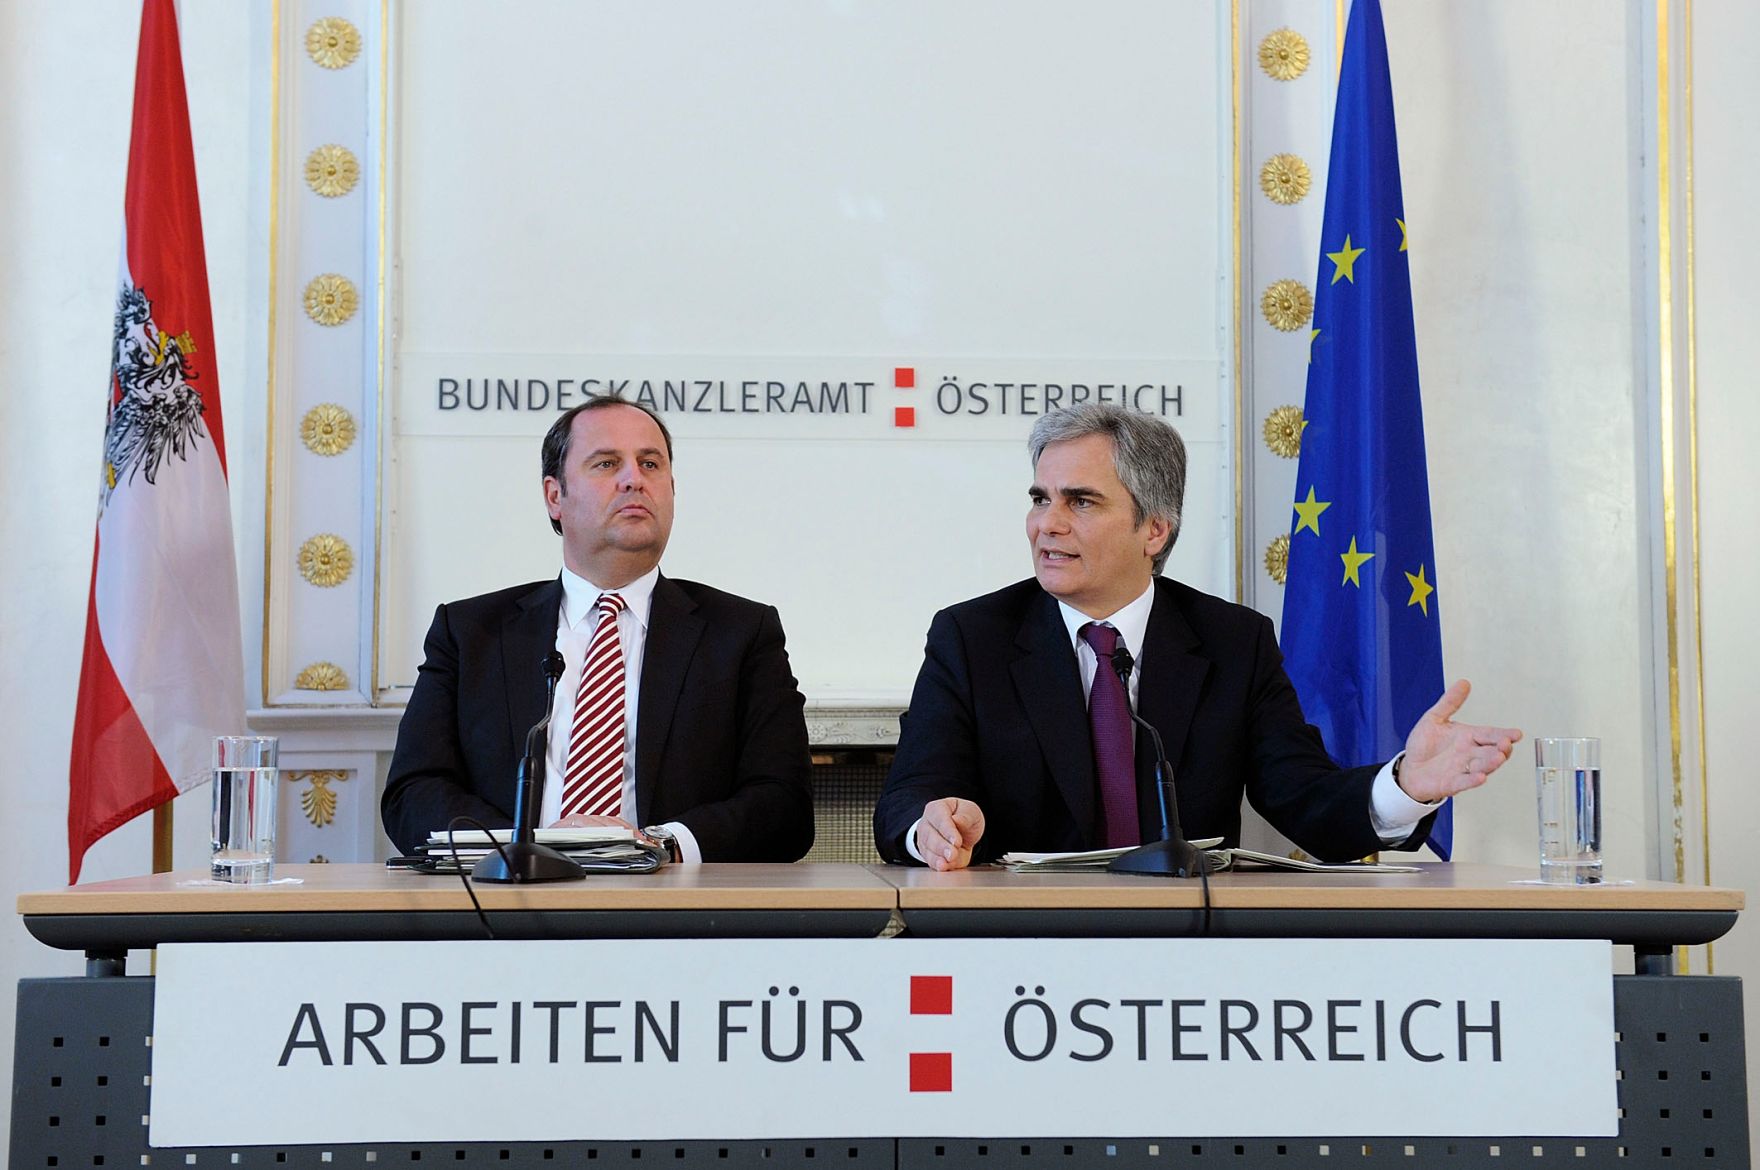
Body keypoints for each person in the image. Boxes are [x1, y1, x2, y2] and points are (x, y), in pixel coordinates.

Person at [874, 403, 1521, 870]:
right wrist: (935, 827)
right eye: (1040, 498)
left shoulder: (1231, 643)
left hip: (1188, 963)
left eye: (1081, 502)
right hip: (1019, 951)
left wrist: (1406, 783)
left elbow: (1308, 803)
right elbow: (908, 799)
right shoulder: (972, 637)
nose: (1048, 524)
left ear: (1154, 530)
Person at [383, 396, 814, 862]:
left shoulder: (742, 633)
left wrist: (657, 845)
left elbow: (783, 806)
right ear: (555, 496)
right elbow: (413, 792)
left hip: (677, 915)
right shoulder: (471, 633)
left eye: (651, 464)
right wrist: (528, 850)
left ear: (671, 488)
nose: (634, 479)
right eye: (607, 463)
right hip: (509, 908)